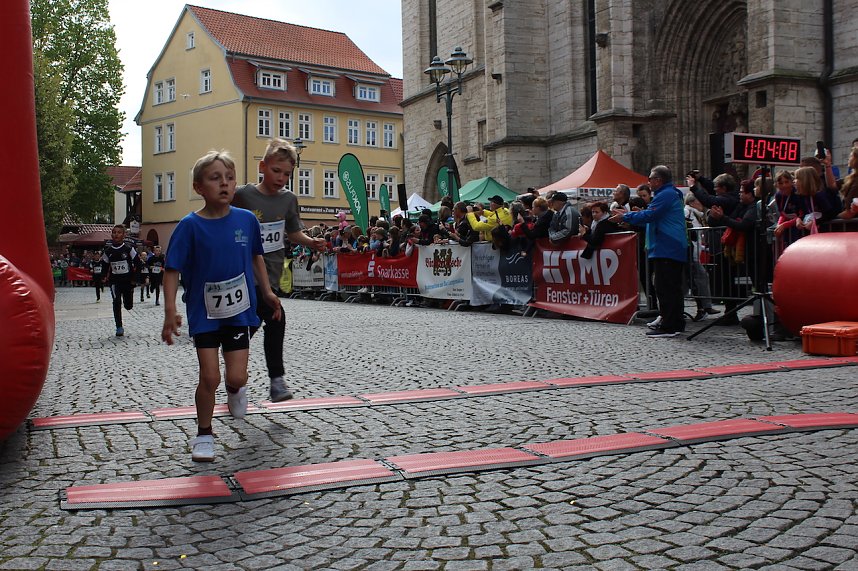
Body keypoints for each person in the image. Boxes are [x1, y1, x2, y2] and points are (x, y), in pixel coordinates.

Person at [162, 150, 281, 463]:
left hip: (240, 311)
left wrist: (267, 292)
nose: (225, 184)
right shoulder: (189, 226)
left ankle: (236, 389)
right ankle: (204, 433)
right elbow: (172, 269)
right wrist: (169, 310)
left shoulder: (246, 220)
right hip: (204, 314)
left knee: (237, 378)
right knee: (210, 376)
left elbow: (256, 257)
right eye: (216, 178)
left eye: (230, 178)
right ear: (199, 187)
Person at [232, 138, 326, 402]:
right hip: (244, 275)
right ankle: (266, 380)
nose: (282, 178)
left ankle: (249, 380)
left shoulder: (288, 199)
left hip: (270, 275)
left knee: (254, 329)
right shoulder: (243, 195)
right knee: (272, 318)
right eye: (276, 171)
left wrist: (310, 242)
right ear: (263, 166)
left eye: (287, 173)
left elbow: (293, 232)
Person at [613, 165, 687, 338]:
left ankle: (670, 325)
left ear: (658, 180)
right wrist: (634, 218)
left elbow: (650, 216)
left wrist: (626, 216)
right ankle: (674, 322)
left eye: (650, 179)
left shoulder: (665, 195)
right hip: (667, 245)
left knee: (665, 287)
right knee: (669, 287)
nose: (648, 182)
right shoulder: (668, 194)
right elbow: (652, 218)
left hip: (667, 246)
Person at [684, 193, 719, 321]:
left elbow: (697, 238)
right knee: (699, 278)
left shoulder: (697, 215)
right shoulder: (687, 212)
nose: (702, 204)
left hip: (694, 253)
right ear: (692, 202)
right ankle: (704, 307)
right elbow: (691, 235)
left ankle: (703, 307)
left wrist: (704, 248)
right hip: (690, 253)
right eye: (699, 202)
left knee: (691, 281)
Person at [101, 224, 140, 337]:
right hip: (115, 281)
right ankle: (119, 326)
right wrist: (104, 276)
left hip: (127, 281)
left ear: (123, 235)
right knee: (116, 301)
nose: (116, 234)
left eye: (119, 232)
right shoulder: (108, 251)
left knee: (128, 306)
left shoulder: (128, 249)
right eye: (114, 232)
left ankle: (130, 295)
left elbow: (138, 263)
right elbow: (104, 264)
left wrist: (135, 279)